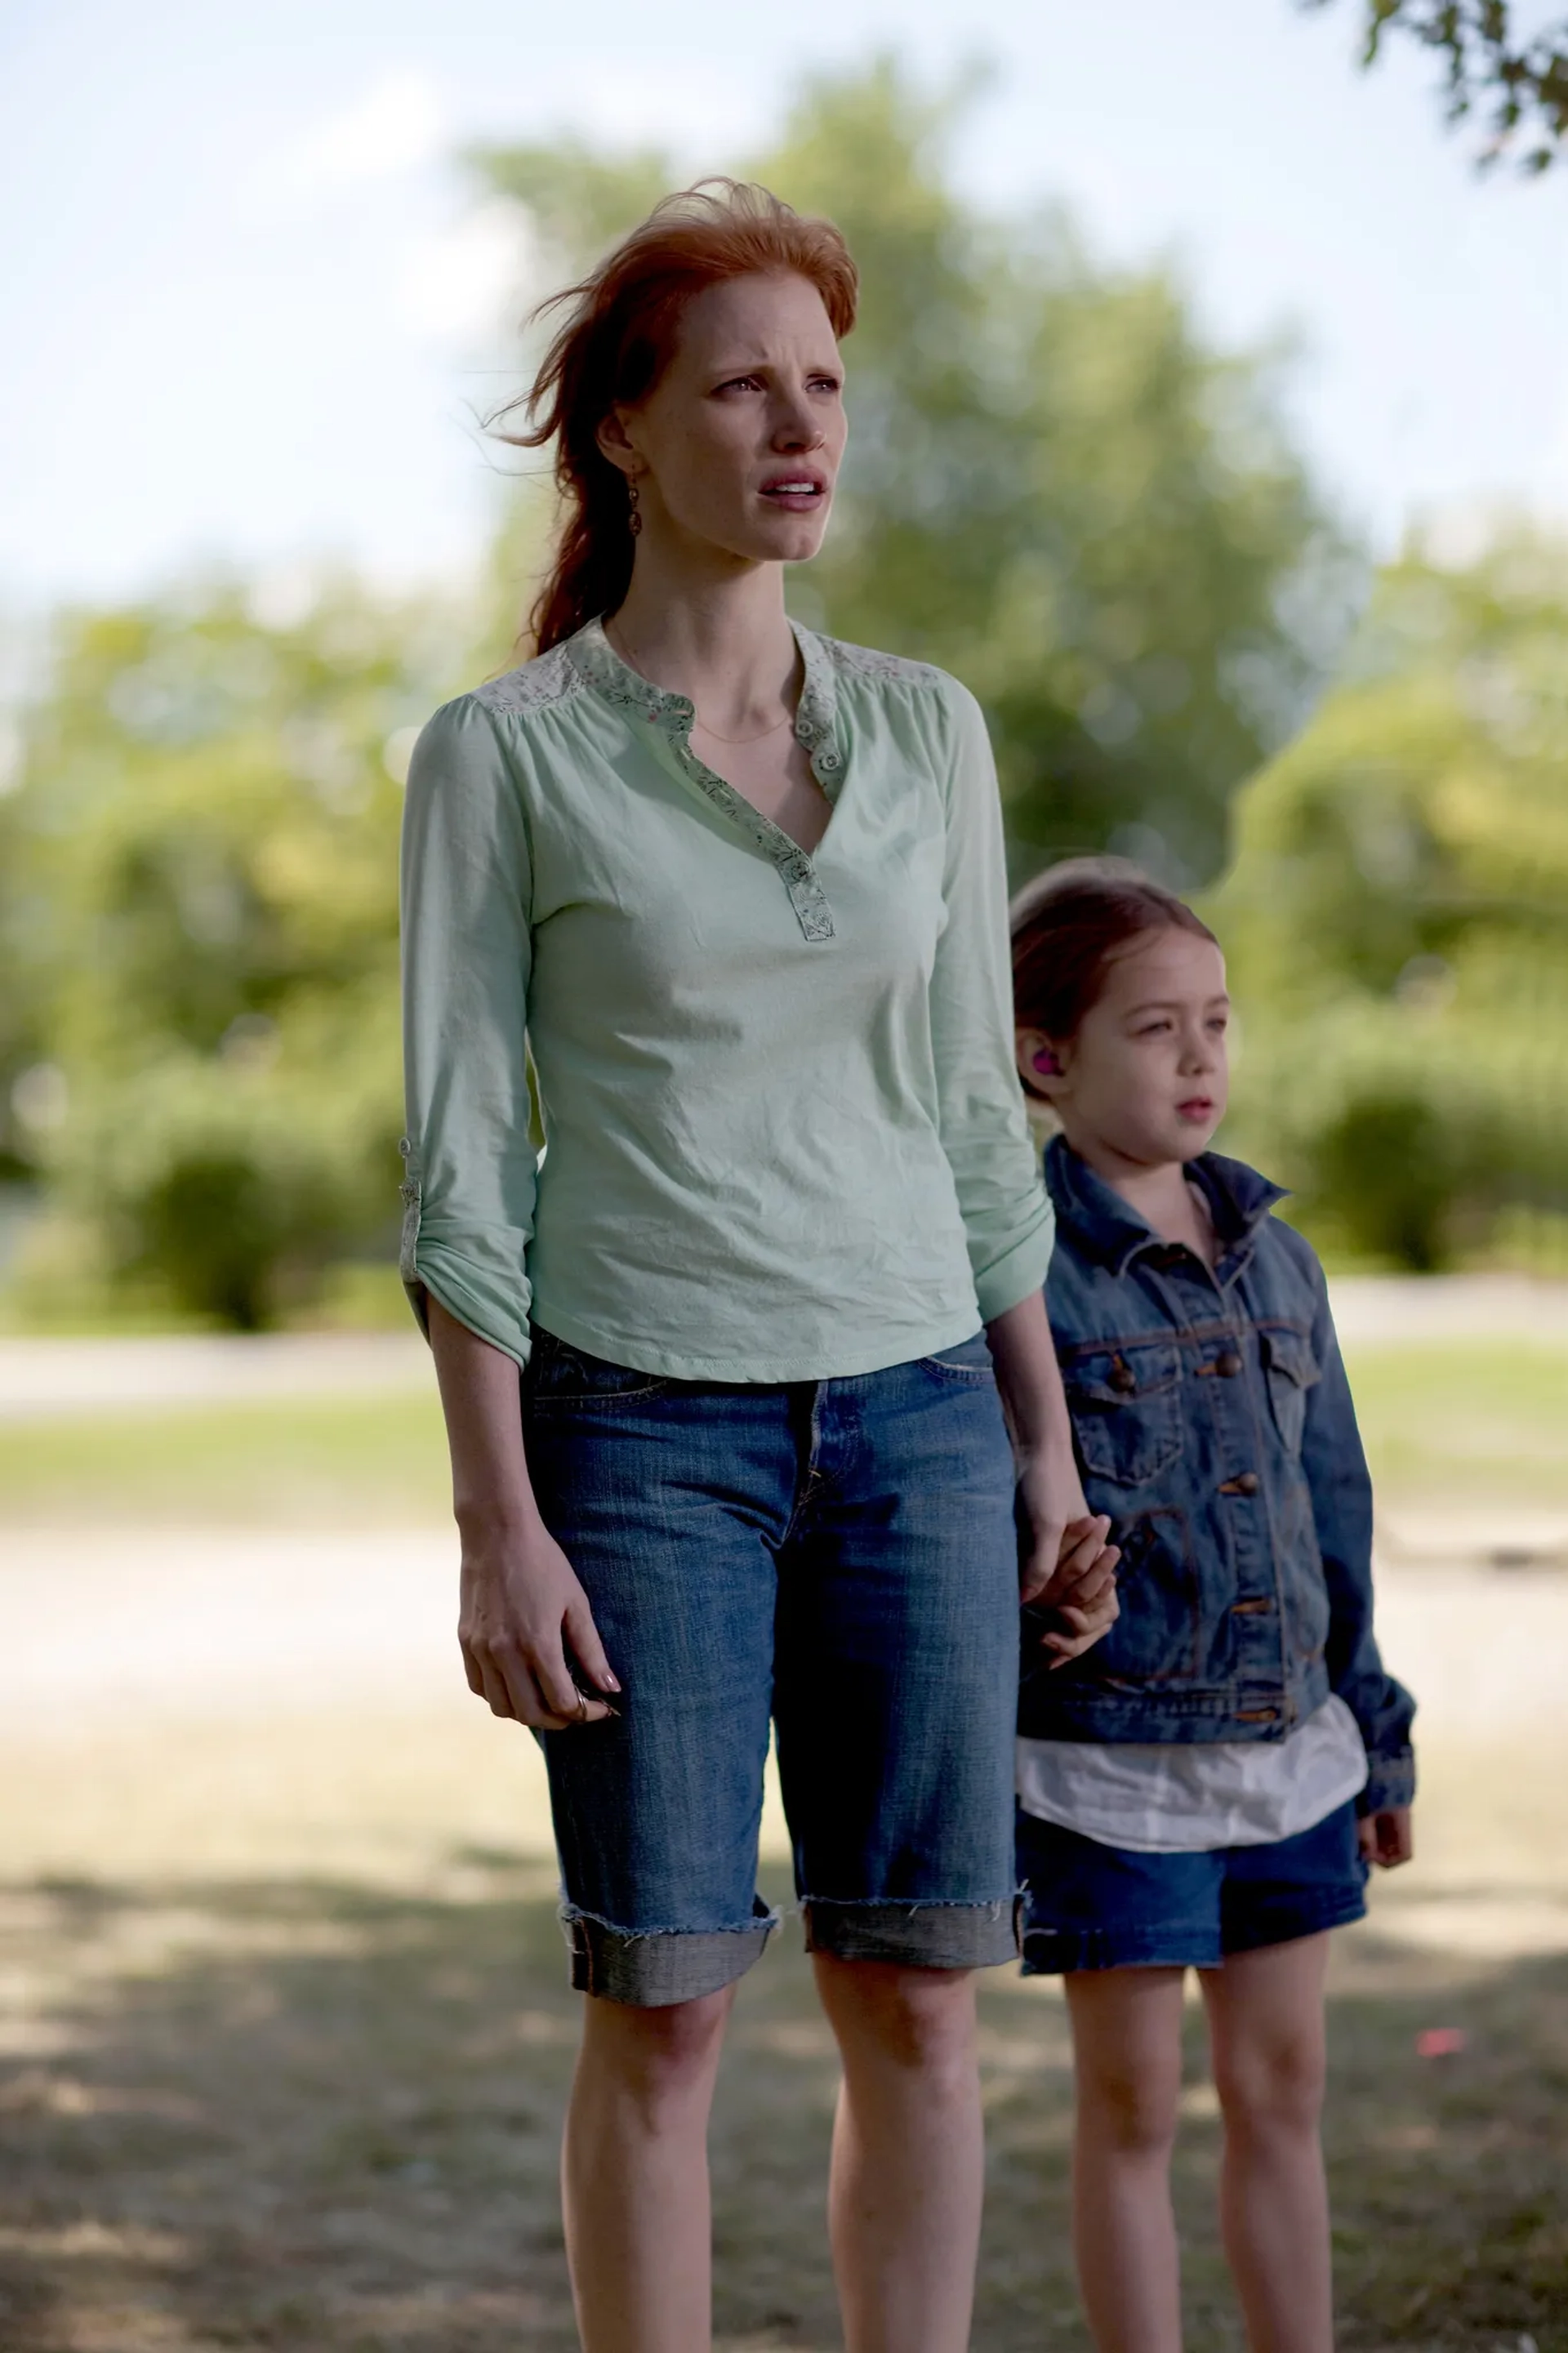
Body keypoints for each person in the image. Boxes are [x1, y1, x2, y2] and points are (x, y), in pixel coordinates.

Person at [397, 181, 1118, 2353]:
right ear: (624, 429)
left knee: (919, 1999)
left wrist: (1045, 1446)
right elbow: (458, 1166)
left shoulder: (928, 735)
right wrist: (494, 1522)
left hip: (920, 1430)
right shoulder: (502, 760)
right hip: (637, 1443)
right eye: (743, 386)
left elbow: (980, 1124)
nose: (802, 429)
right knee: (674, 2017)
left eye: (825, 387)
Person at [1008, 859, 1416, 2353]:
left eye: (1219, 1024)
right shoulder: (1020, 1276)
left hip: (1288, 1752)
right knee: (1130, 2113)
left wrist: (1374, 1732)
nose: (1200, 1059)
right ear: (1045, 1057)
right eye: (1155, 1027)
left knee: (1284, 2089)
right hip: (1112, 1772)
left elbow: (1336, 1509)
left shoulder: (1280, 1259)